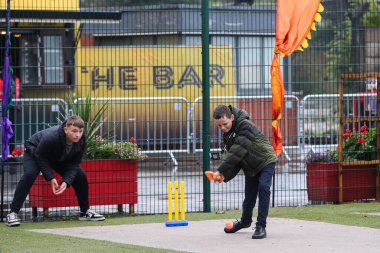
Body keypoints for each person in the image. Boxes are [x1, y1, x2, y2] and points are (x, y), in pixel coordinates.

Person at [6, 115, 105, 227]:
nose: (78, 134)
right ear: (66, 129)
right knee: (29, 175)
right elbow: (40, 156)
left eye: (80, 131)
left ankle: (85, 212)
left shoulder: (81, 140)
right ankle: (12, 213)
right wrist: (51, 177)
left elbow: (74, 163)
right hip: (35, 151)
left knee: (80, 175)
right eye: (74, 131)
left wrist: (66, 181)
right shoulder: (52, 137)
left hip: (55, 157)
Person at [212, 105, 277, 239]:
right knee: (249, 197)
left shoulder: (245, 125)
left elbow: (237, 151)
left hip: (265, 160)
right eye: (219, 126)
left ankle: (261, 226)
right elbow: (236, 159)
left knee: (264, 188)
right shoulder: (228, 135)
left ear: (232, 117)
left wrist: (220, 170)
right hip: (250, 166)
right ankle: (245, 221)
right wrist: (223, 175)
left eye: (225, 124)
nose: (223, 128)